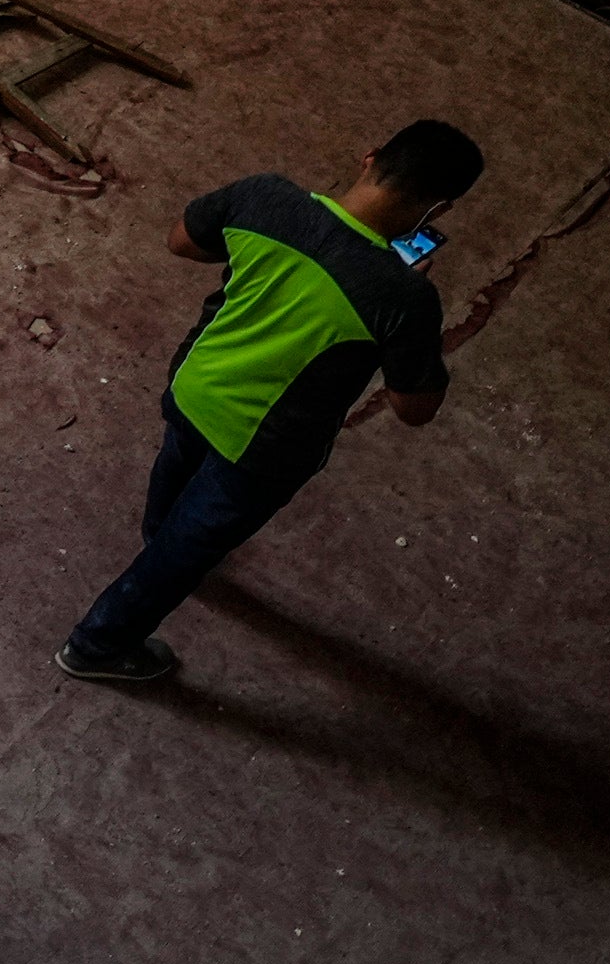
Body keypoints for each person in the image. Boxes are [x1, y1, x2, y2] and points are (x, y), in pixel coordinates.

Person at [58, 120, 474, 685]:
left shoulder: (264, 196)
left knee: (178, 462)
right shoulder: (403, 296)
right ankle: (94, 647)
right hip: (263, 448)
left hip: (195, 383)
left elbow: (180, 241)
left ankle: (159, 528)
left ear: (370, 155)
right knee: (186, 552)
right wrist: (407, 301)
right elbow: (414, 407)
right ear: (439, 209)